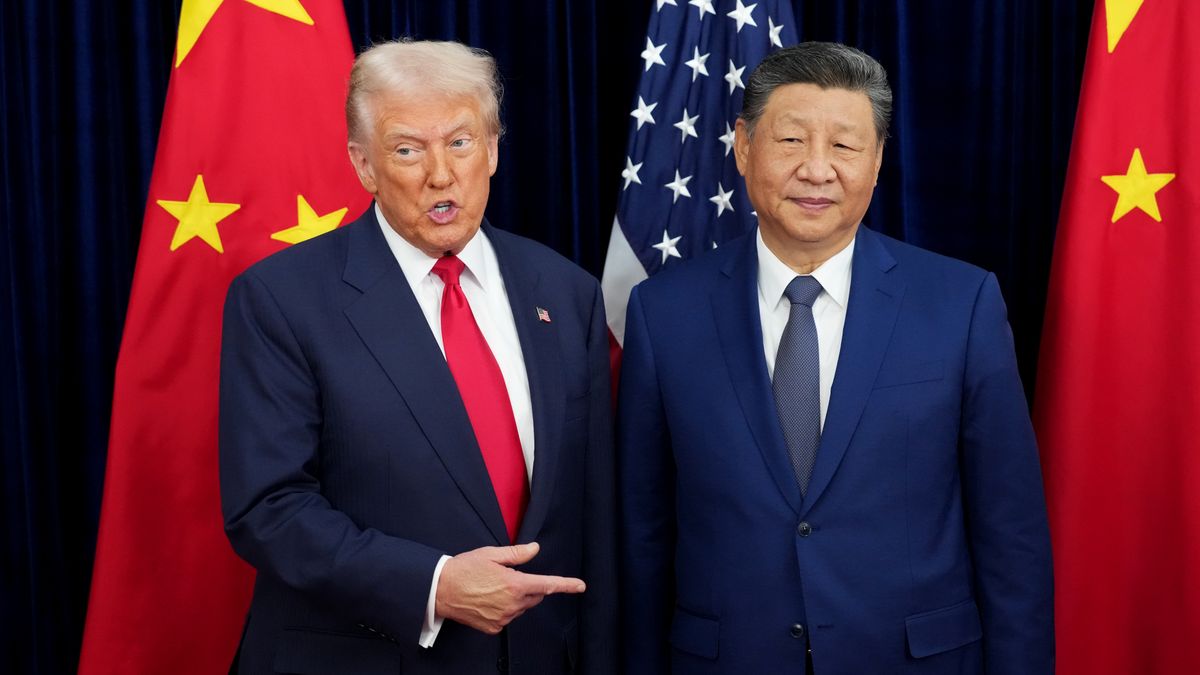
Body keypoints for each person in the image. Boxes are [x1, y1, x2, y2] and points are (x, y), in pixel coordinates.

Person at [617, 41, 1053, 674]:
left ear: (876, 162)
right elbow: (643, 535)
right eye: (791, 141)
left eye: (845, 146)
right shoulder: (663, 312)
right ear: (744, 147)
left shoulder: (961, 304)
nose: (817, 170)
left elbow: (1011, 533)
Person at [219, 39, 615, 674]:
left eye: (460, 142)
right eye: (407, 150)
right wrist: (432, 586)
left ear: (492, 149)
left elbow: (593, 512)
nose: (440, 174)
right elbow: (268, 509)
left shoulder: (567, 293)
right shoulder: (281, 300)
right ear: (364, 165)